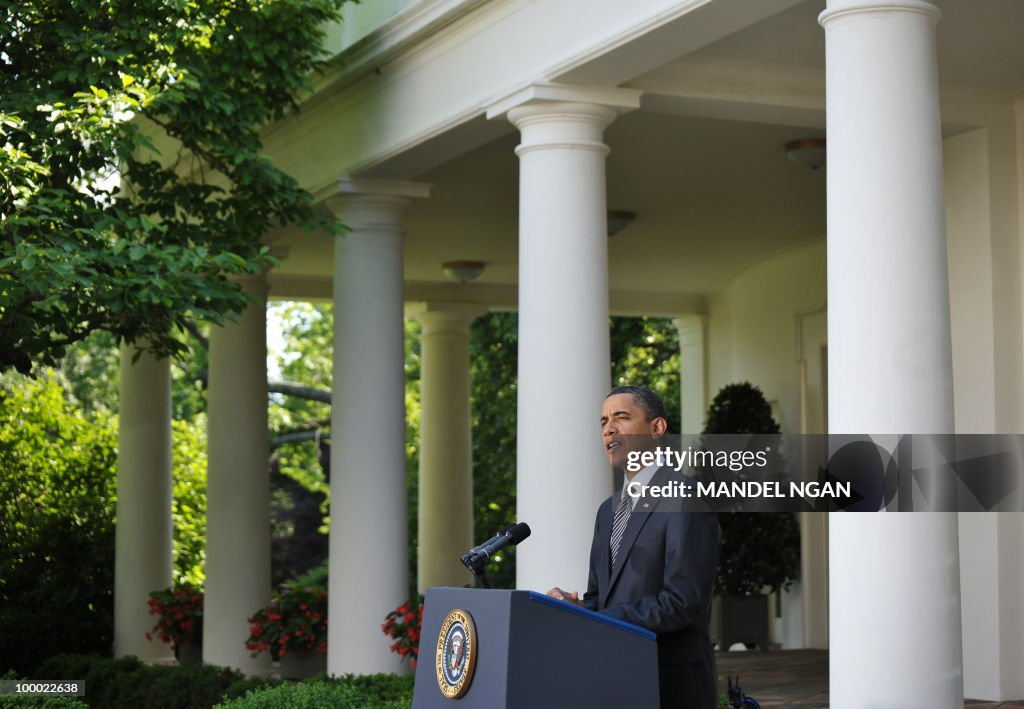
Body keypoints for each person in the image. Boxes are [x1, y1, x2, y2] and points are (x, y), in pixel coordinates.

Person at [548, 385, 721, 709]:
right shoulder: (607, 511)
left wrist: (603, 617)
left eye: (621, 418)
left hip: (670, 684)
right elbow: (601, 596)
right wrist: (579, 609)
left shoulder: (687, 497)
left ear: (656, 428)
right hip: (615, 679)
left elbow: (683, 602)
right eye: (603, 422)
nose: (609, 429)